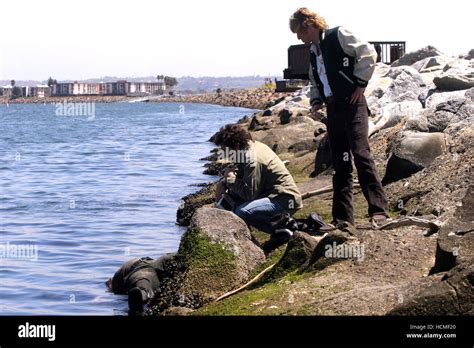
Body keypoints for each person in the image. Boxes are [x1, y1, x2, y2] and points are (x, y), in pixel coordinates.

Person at [289, 8, 389, 227]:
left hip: (353, 105)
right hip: (334, 109)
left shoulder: (338, 35)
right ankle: (343, 218)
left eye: (300, 33)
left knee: (361, 155)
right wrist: (316, 101)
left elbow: (368, 53)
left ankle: (379, 210)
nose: (300, 39)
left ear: (308, 25)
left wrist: (360, 84)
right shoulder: (314, 52)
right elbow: (315, 81)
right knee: (341, 163)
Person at [213, 124, 303, 235]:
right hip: (270, 194)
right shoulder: (250, 146)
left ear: (235, 146)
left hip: (284, 199)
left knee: (242, 212)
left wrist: (230, 179)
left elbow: (249, 194)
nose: (223, 154)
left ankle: (283, 229)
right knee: (232, 201)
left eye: (225, 150)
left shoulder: (252, 160)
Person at [106, 253, 176, 314]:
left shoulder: (116, 282)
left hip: (141, 269)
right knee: (143, 287)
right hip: (151, 263)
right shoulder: (119, 278)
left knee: (143, 288)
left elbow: (110, 284)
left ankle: (140, 297)